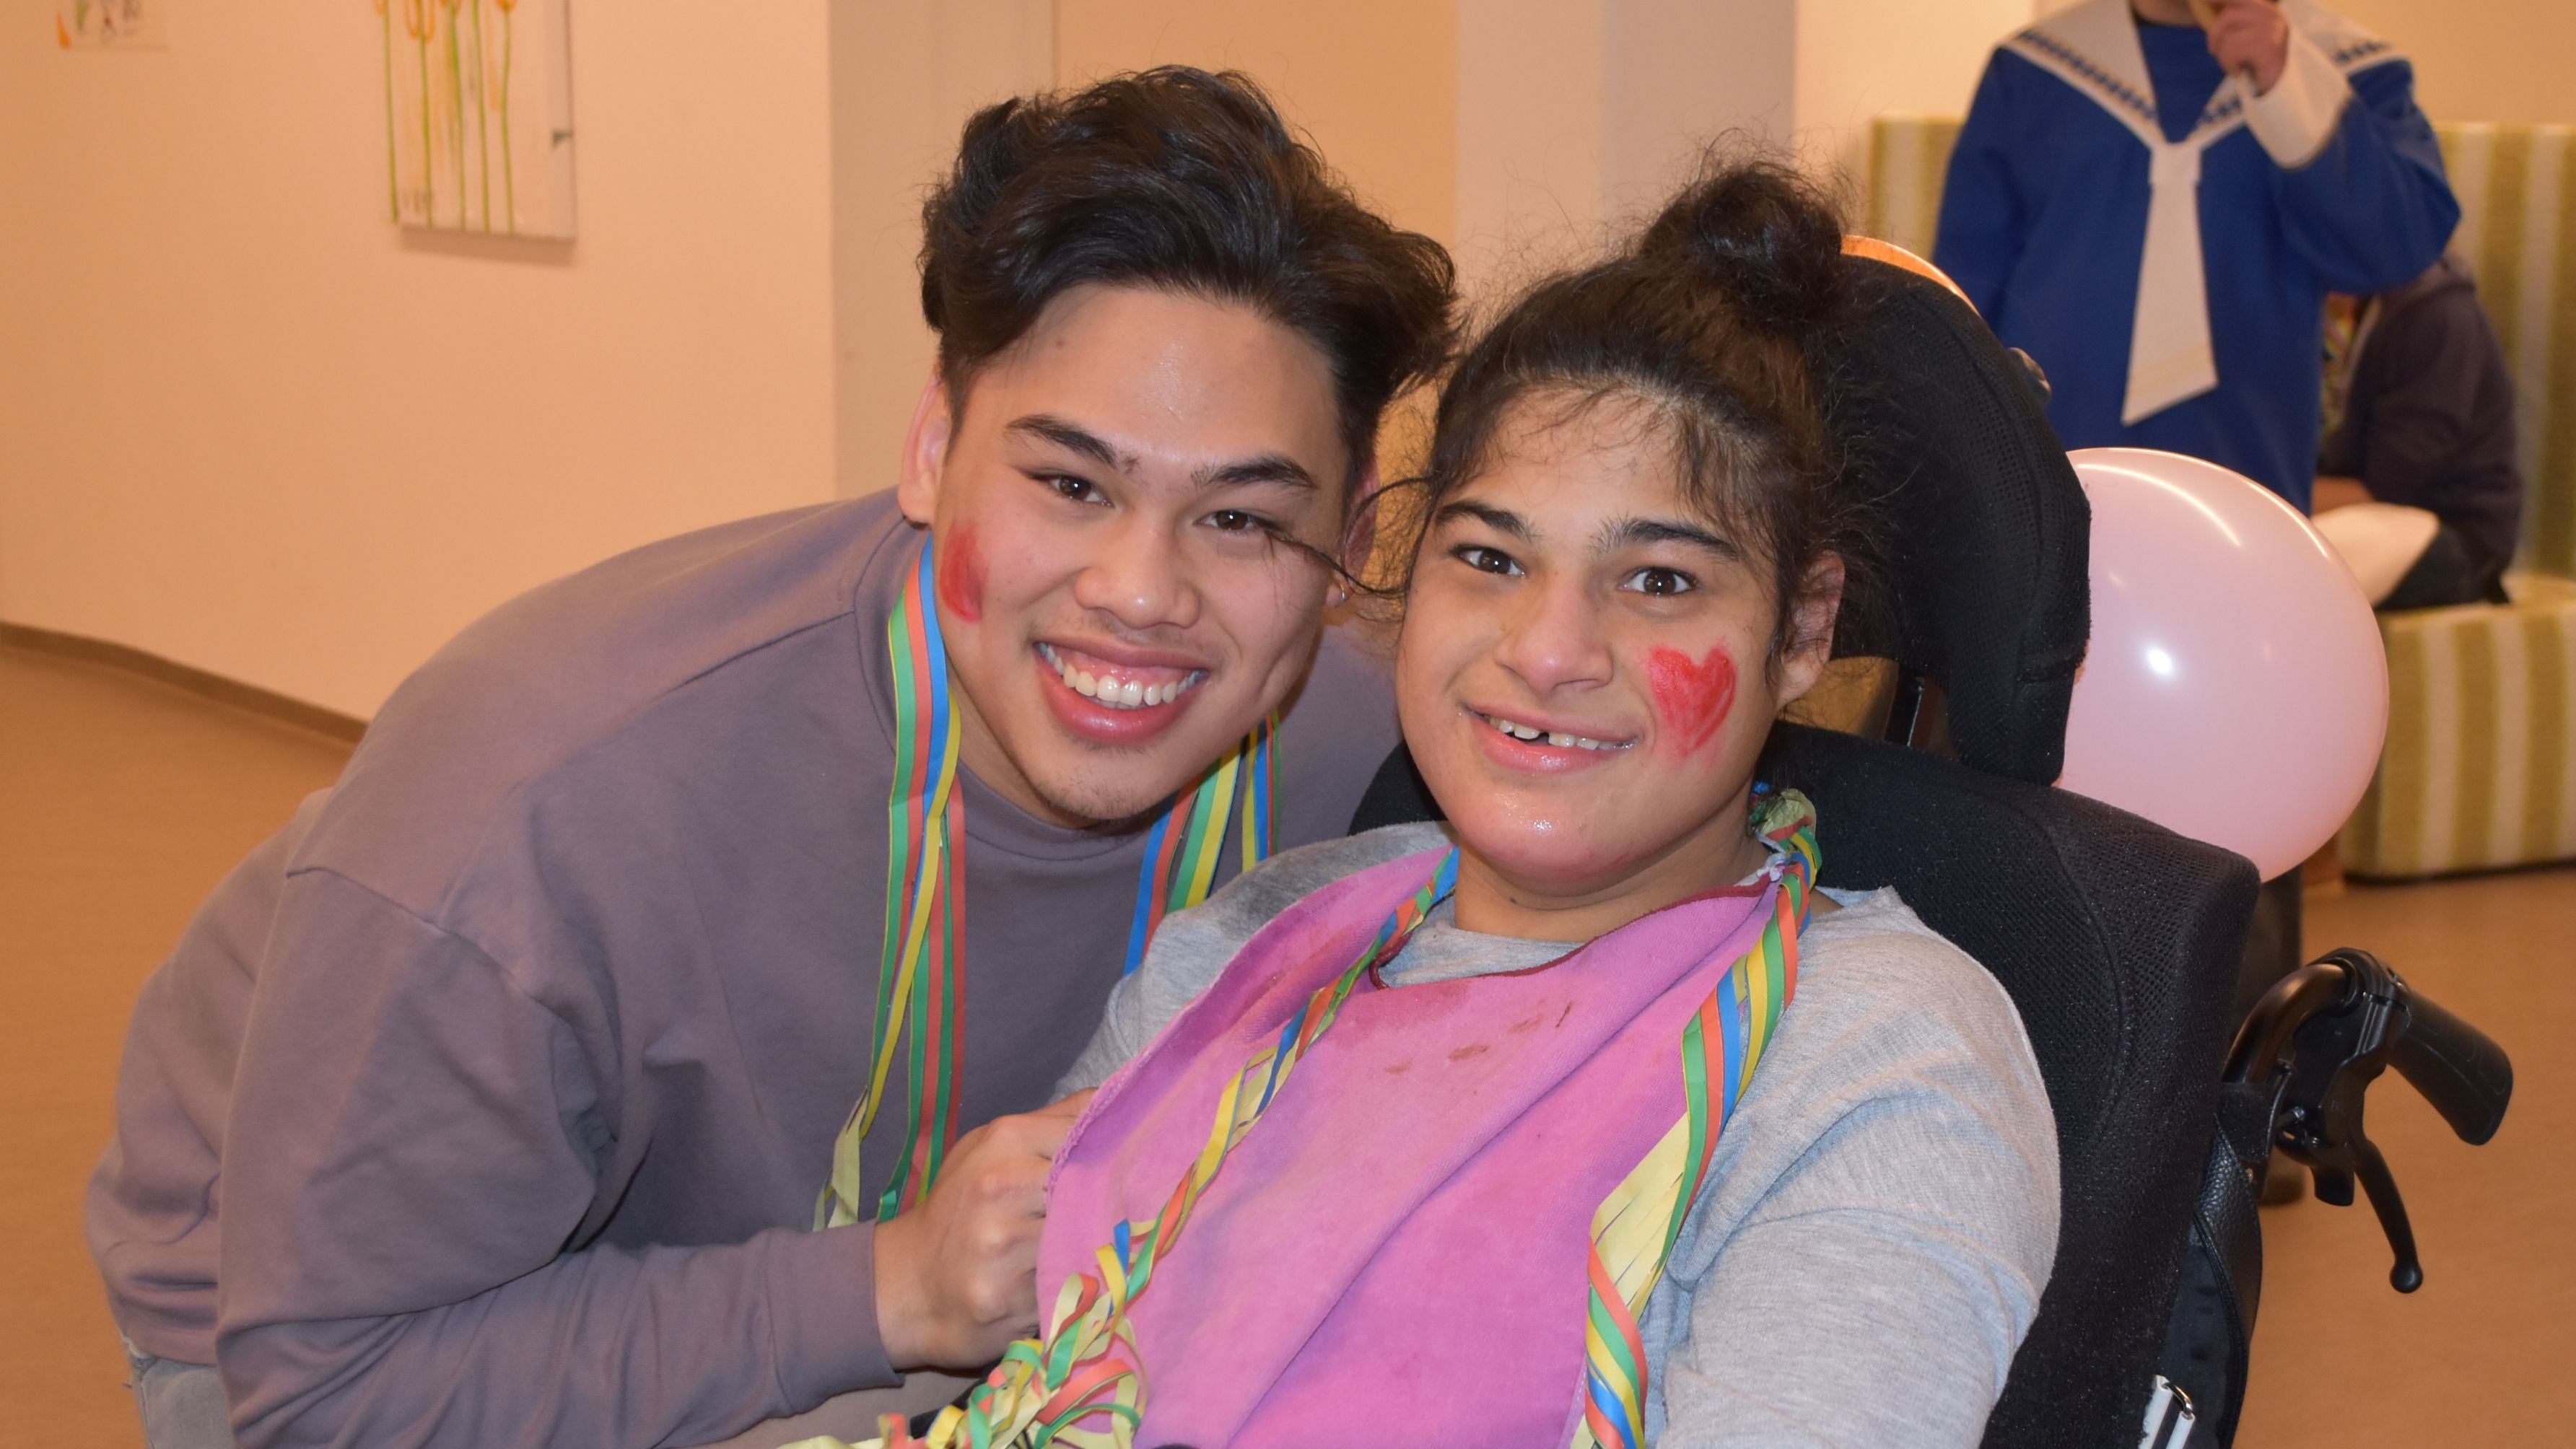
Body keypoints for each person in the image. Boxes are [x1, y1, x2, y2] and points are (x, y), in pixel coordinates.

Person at [85, 68, 1454, 1449]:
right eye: (1067, 483)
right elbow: (334, 1386)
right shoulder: (541, 805)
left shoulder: (1382, 748)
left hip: (923, 1289)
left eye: (1238, 519)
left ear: (1346, 546)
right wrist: (893, 1286)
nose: (1141, 592)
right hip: (348, 1328)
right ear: (931, 449)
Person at [870, 162, 2058, 1449]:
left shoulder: (1874, 1058)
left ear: (1804, 628)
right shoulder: (1257, 941)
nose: (1546, 650)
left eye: (1658, 580)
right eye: (1489, 556)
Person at [1934, 0, 2458, 514]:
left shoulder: (2350, 67)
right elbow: (1962, 305)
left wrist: (2292, 90)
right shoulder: (2033, 69)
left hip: (2248, 473)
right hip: (2047, 467)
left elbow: (2397, 246)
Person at [2313, 253, 2522, 610]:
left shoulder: (2437, 313)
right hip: (2368, 513)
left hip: (2454, 537)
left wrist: (2270, 500)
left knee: (2290, 565)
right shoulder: (2361, 307)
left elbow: (2385, 486)